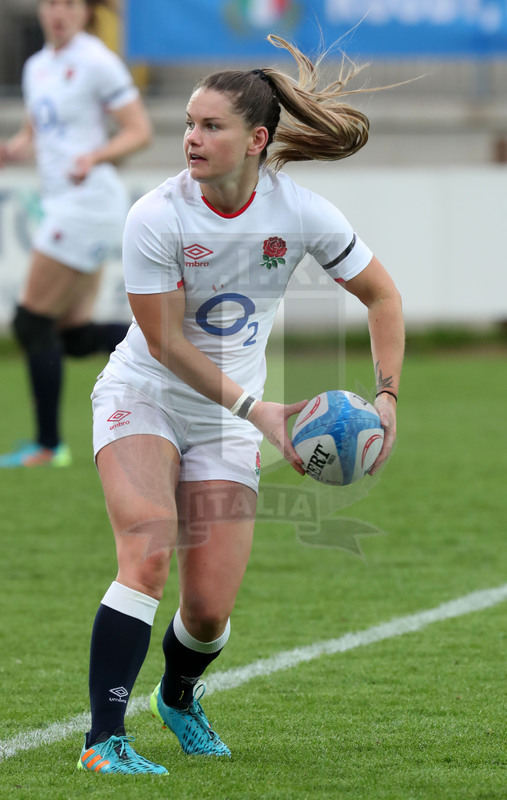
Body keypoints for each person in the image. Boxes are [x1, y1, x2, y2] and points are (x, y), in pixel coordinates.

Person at [77, 34, 404, 775]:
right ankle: (104, 742)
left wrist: (386, 395)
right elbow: (162, 345)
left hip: (227, 417)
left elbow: (381, 295)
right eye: (189, 123)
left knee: (207, 611)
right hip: (146, 396)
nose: (191, 137)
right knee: (147, 549)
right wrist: (257, 409)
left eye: (211, 126)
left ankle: (179, 697)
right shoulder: (155, 215)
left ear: (256, 139)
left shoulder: (301, 213)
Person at [0, 0, 152, 468]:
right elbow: (37, 130)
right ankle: (173, 344)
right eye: (50, 3)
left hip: (87, 203)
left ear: (88, 13)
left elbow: (139, 130)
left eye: (69, 4)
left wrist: (96, 157)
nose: (58, 13)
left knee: (31, 321)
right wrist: (15, 149)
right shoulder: (37, 66)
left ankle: (49, 446)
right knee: (74, 336)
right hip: (64, 204)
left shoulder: (96, 61)